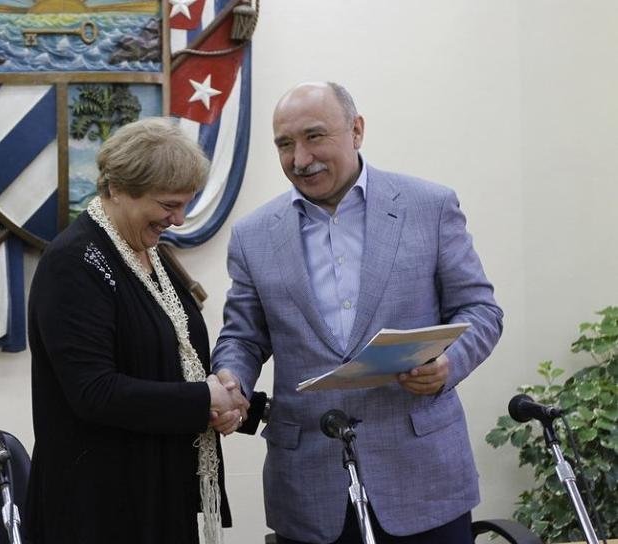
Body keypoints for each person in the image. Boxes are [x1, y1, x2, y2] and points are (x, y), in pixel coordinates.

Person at [210, 82, 504, 544]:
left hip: (424, 478)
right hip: (308, 486)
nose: (300, 158)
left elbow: (481, 309)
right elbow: (242, 337)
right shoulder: (252, 235)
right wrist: (231, 380)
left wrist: (449, 364)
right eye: (285, 144)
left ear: (357, 130)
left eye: (314, 136)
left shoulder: (429, 207)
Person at [25, 117, 247, 544]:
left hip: (155, 491)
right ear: (117, 189)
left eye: (185, 205)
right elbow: (94, 391)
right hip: (99, 507)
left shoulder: (146, 252)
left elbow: (168, 361)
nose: (178, 220)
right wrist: (203, 399)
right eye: (168, 205)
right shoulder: (73, 262)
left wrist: (228, 397)